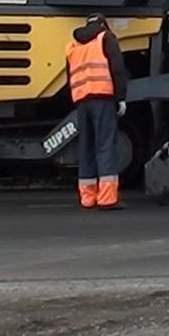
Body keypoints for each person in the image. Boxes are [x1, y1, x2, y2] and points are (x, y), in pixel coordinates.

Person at [65, 13, 128, 209]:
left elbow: (70, 75)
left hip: (82, 100)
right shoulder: (105, 37)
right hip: (102, 98)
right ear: (103, 23)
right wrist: (120, 98)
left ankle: (87, 198)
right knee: (105, 145)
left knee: (86, 148)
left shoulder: (73, 45)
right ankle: (108, 198)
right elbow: (117, 69)